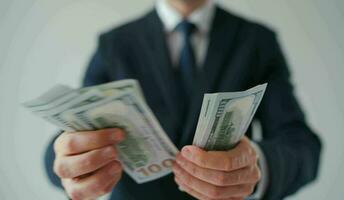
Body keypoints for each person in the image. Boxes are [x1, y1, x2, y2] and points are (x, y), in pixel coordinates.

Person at [45, 0, 322, 199]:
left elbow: (301, 145)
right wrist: (68, 164)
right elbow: (76, 132)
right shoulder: (114, 44)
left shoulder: (257, 41)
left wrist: (256, 169)